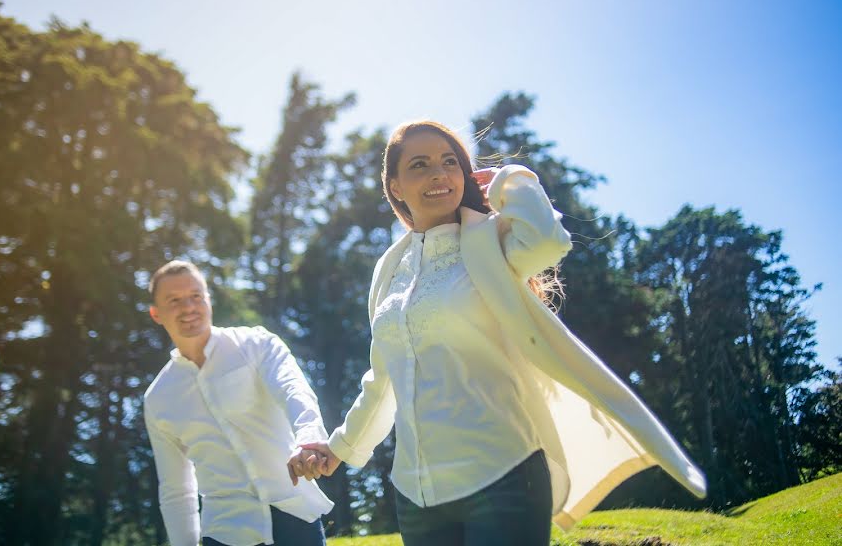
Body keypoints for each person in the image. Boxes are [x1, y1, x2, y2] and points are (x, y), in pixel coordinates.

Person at [288, 120, 706, 545]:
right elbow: (383, 382)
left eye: (450, 162)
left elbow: (548, 241)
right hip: (418, 496)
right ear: (394, 186)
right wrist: (338, 449)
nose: (439, 173)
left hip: (504, 475)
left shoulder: (491, 238)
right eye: (420, 165)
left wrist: (512, 181)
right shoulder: (388, 270)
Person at [143, 260, 332, 546]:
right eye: (174, 300)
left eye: (196, 296)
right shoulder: (158, 398)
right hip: (225, 532)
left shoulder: (256, 344)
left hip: (294, 515)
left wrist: (309, 439)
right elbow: (176, 489)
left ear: (208, 299)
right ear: (156, 314)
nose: (189, 307)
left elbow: (294, 391)